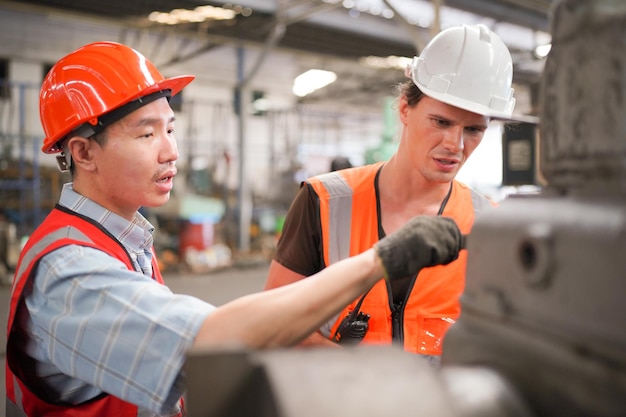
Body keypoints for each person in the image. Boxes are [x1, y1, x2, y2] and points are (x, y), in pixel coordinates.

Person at [4, 41, 465, 416]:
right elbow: (213, 344)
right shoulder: (70, 270)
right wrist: (377, 260)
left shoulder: (124, 241)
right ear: (83, 153)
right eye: (147, 134)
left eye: (171, 129)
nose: (171, 152)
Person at [263, 24, 516, 359]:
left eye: (473, 130)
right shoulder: (323, 202)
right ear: (404, 109)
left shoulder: (489, 225)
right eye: (441, 122)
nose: (455, 145)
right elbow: (271, 325)